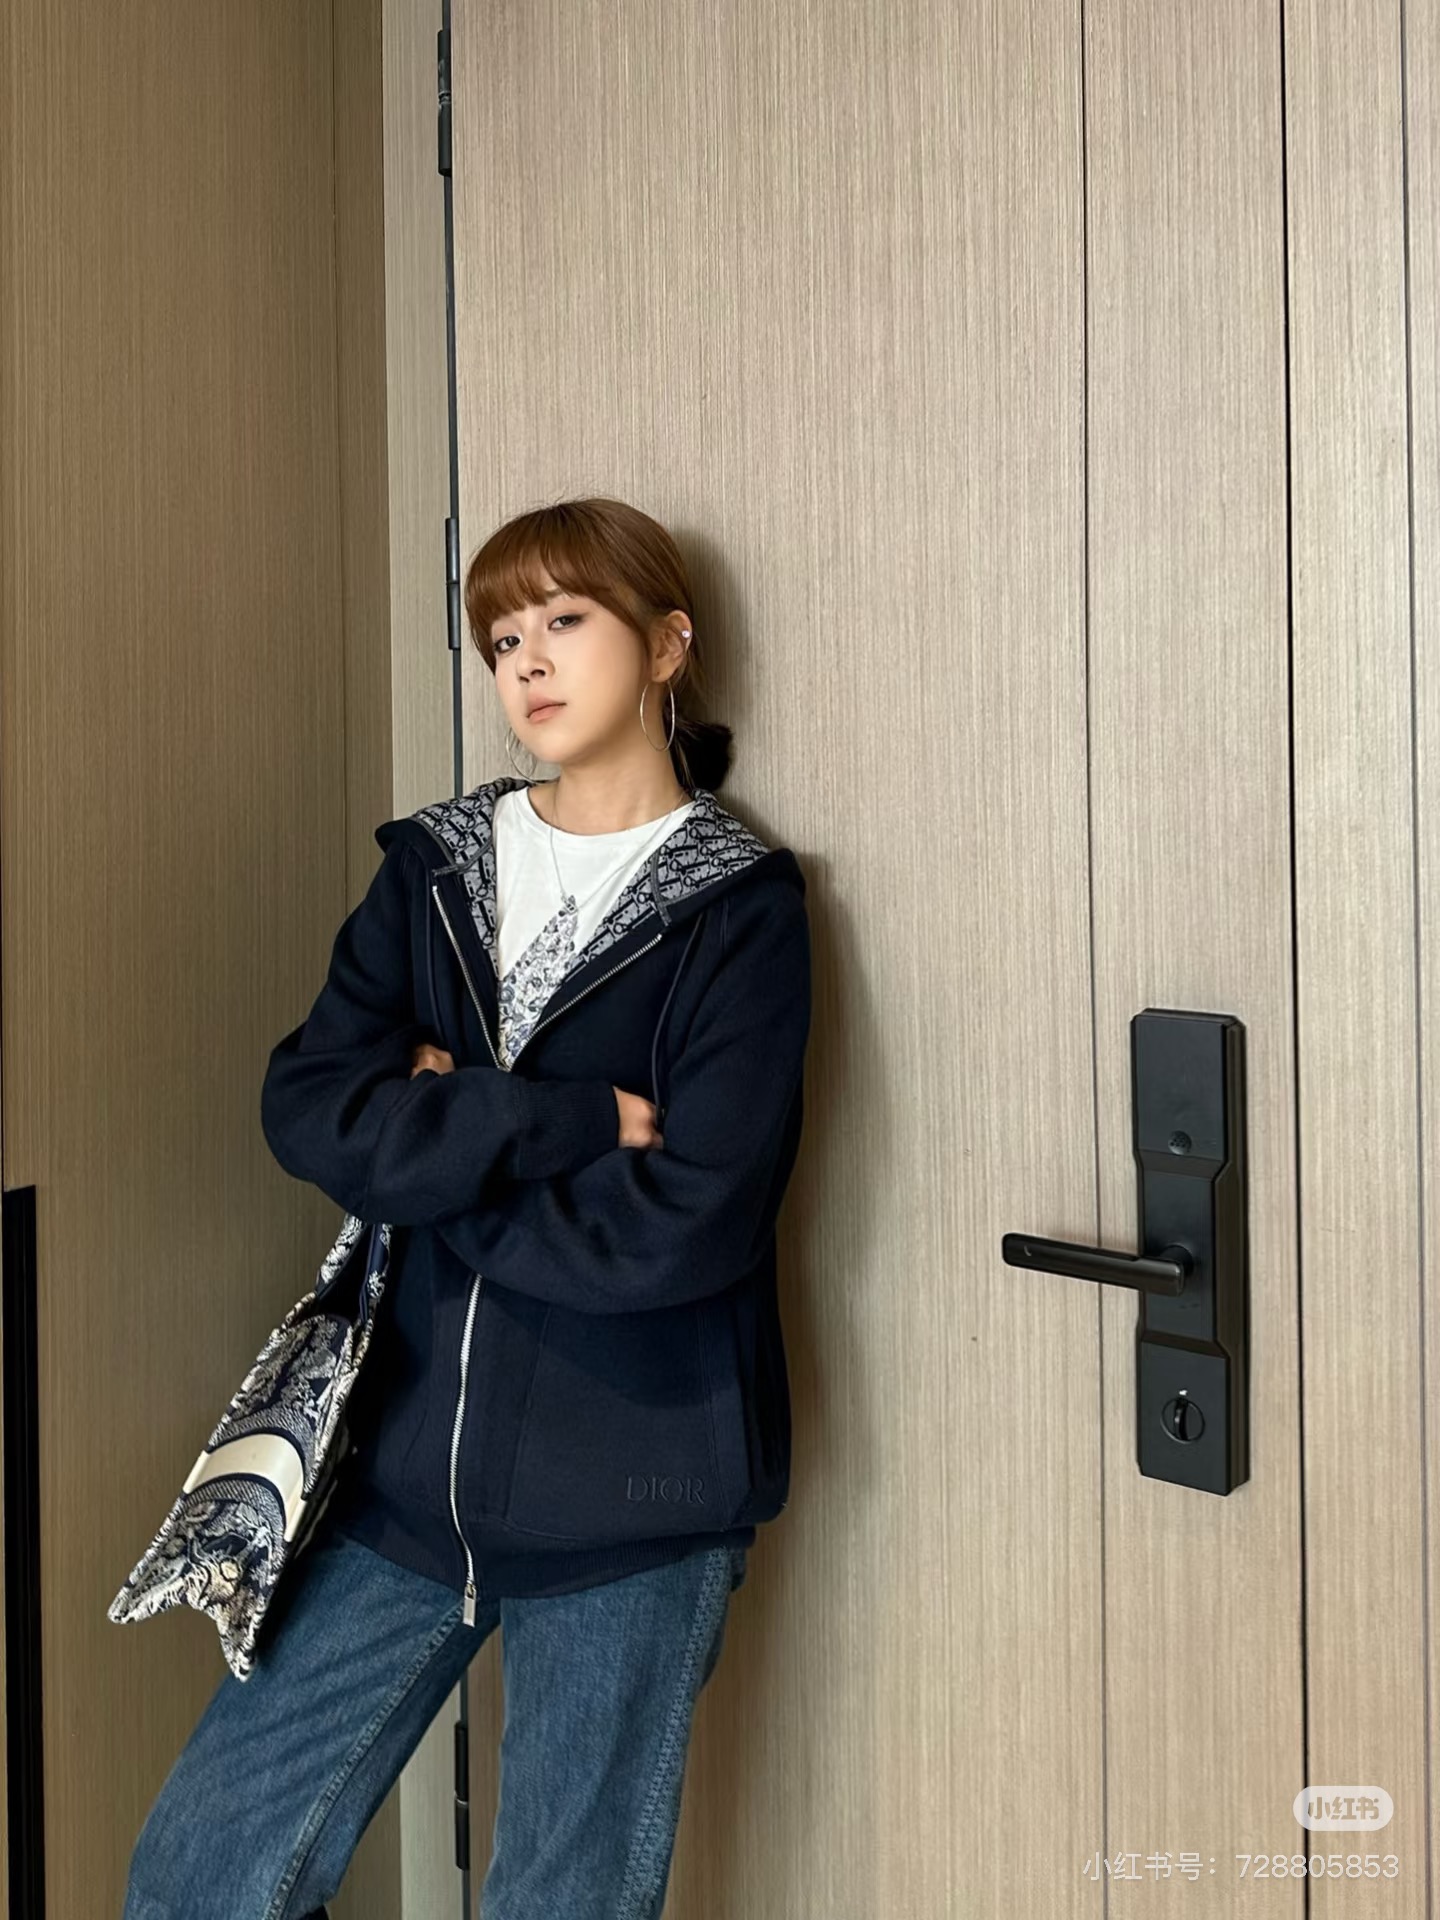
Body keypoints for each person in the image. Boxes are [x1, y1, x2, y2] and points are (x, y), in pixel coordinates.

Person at [123, 495, 813, 1919]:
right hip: (397, 1483)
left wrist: (429, 1161)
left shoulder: (741, 909)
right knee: (200, 1873)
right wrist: (557, 1122)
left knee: (559, 1902)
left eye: (566, 619)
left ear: (667, 645)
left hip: (637, 1503)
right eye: (502, 637)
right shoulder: (435, 870)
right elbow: (310, 1105)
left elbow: (684, 1225)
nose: (528, 661)